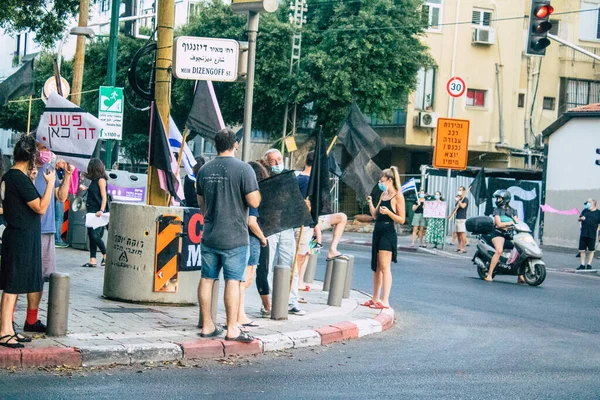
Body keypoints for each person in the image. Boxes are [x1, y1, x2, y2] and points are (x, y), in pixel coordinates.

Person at [196, 128, 260, 342]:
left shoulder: (204, 170)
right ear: (236, 144)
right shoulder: (244, 169)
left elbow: (201, 205)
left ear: (215, 145)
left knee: (207, 278)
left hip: (210, 234)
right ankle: (232, 328)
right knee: (232, 281)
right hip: (235, 237)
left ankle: (207, 326)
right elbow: (254, 201)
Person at [0, 135, 55, 348]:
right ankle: (5, 331)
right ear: (31, 157)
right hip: (20, 238)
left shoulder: (12, 177)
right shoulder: (17, 178)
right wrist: (49, 183)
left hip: (21, 237)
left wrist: (32, 180)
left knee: (14, 285)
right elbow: (40, 207)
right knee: (12, 286)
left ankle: (8, 329)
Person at [294, 151, 348, 294]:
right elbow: (307, 207)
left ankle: (300, 281)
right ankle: (296, 284)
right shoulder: (306, 181)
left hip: (313, 222)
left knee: (307, 252)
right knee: (302, 255)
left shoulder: (305, 179)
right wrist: (317, 229)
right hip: (306, 223)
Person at [264, 148, 305, 315]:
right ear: (267, 163)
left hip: (286, 225)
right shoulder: (264, 177)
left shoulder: (289, 176)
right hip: (270, 226)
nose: (276, 164)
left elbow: (295, 199)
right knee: (267, 265)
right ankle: (267, 302)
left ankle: (291, 300)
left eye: (278, 160)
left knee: (290, 264)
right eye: (272, 161)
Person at [362, 167, 405, 310]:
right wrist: (370, 202)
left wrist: (389, 213)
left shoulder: (398, 196)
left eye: (382, 181)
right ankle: (375, 298)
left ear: (390, 180)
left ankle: (385, 300)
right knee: (377, 267)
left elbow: (402, 219)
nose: (381, 183)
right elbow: (375, 214)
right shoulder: (383, 194)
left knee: (385, 267)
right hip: (378, 230)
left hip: (388, 231)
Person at [238, 161, 269, 327]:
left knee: (241, 279)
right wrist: (263, 238)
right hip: (252, 239)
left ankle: (238, 314)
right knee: (246, 279)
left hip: (238, 236)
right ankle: (239, 315)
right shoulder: (254, 196)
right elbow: (252, 221)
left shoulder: (238, 191)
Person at [485, 190, 524, 283]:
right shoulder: (497, 210)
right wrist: (511, 223)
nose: (497, 200)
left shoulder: (513, 211)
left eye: (499, 198)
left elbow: (517, 222)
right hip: (498, 233)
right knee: (499, 250)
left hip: (509, 234)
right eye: (497, 198)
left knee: (521, 251)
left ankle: (520, 275)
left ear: (506, 199)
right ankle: (489, 274)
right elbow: (498, 224)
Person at [81, 159, 108, 268]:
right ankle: (92, 260)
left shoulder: (101, 180)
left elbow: (104, 196)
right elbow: (94, 191)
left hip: (97, 211)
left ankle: (106, 254)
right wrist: (86, 188)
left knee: (94, 235)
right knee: (91, 235)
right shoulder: (95, 180)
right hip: (91, 211)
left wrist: (101, 210)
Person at [577, 199, 600, 270]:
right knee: (582, 250)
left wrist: (598, 232)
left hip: (592, 234)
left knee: (591, 250)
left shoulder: (598, 213)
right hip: (584, 233)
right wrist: (581, 219)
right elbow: (578, 219)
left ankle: (589, 264)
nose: (587, 203)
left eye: (589, 202)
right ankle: (582, 264)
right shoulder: (585, 211)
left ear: (593, 203)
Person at [453, 186, 469, 254]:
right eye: (459, 190)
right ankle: (459, 247)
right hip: (457, 217)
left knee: (462, 233)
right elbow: (456, 207)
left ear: (464, 191)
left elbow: (463, 206)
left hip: (462, 218)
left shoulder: (465, 199)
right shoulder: (459, 198)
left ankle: (463, 248)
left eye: (461, 190)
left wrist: (458, 201)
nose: (459, 191)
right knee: (458, 233)